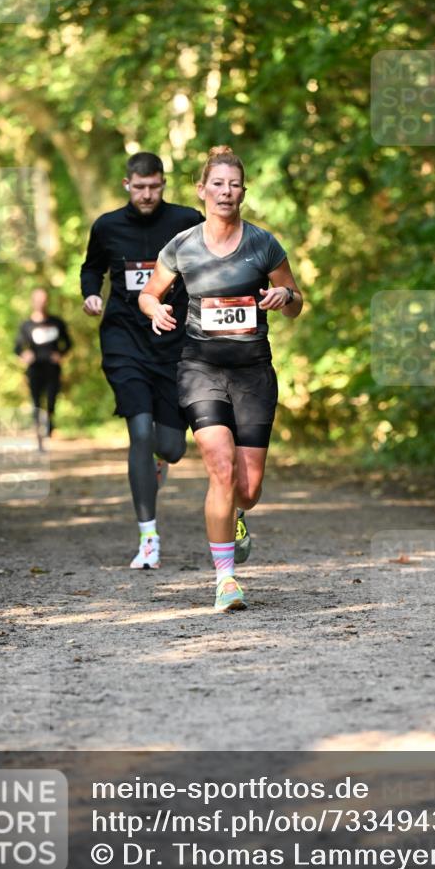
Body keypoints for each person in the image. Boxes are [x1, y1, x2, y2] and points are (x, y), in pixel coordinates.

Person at [139, 146, 303, 611]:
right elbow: (150, 293)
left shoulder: (263, 244)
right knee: (220, 466)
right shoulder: (182, 245)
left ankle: (236, 516)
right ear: (202, 190)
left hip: (253, 373)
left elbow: (296, 303)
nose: (225, 192)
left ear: (243, 192)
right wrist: (155, 309)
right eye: (217, 184)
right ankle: (225, 579)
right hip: (200, 368)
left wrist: (283, 296)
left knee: (247, 490)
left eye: (233, 185)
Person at [80, 151, 203, 569]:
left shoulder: (186, 222)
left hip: (173, 342)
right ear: (126, 185)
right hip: (124, 339)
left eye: (155, 187)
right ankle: (148, 537)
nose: (147, 194)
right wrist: (91, 293)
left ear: (163, 184)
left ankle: (155, 463)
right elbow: (91, 268)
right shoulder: (108, 226)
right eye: (140, 187)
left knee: (171, 448)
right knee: (140, 431)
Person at [15, 288, 72, 439]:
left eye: (43, 299)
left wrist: (60, 354)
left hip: (52, 368)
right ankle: (38, 426)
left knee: (52, 398)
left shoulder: (56, 322)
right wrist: (24, 354)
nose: (41, 303)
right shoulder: (26, 325)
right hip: (35, 368)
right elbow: (18, 347)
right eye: (38, 300)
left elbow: (68, 343)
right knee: (36, 399)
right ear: (33, 302)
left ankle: (49, 422)